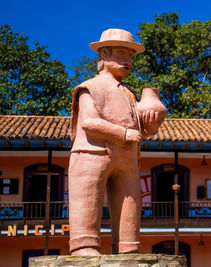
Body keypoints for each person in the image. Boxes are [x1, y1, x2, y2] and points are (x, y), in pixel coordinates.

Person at [68, 28, 164, 256]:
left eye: (131, 56)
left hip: (127, 157)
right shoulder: (90, 87)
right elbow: (89, 122)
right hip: (92, 153)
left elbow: (138, 128)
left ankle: (127, 246)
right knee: (87, 199)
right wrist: (123, 134)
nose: (128, 60)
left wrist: (150, 126)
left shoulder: (130, 94)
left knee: (129, 201)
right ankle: (84, 246)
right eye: (122, 53)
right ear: (103, 56)